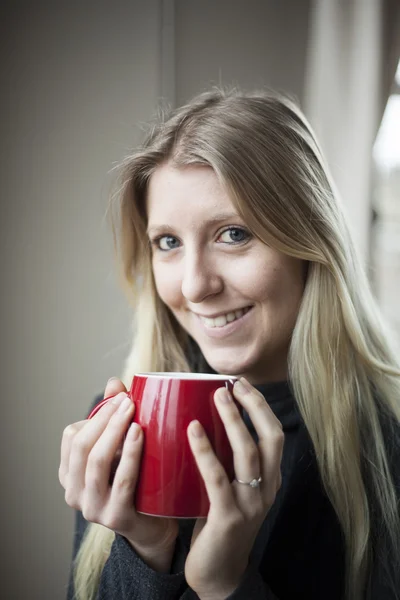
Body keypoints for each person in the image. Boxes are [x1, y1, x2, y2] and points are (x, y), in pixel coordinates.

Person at [59, 87, 400, 600]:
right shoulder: (121, 431)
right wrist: (146, 550)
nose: (195, 286)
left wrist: (226, 584)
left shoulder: (386, 446)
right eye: (168, 242)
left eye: (234, 234)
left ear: (310, 243)